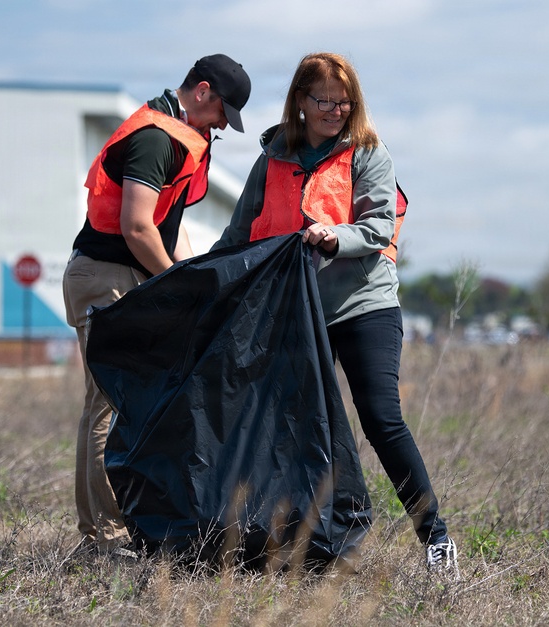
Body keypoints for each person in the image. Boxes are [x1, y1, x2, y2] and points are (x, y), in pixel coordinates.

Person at [211, 52, 458, 574]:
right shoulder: (273, 157)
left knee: (381, 418)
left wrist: (332, 236)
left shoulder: (368, 152)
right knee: (292, 428)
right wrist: (203, 278)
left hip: (364, 303)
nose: (333, 110)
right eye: (322, 100)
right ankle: (307, 544)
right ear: (300, 101)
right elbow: (238, 234)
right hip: (297, 313)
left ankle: (435, 536)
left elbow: (377, 228)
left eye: (342, 102)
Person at [63, 53, 251, 558]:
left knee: (120, 402)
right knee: (110, 403)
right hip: (106, 278)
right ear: (203, 91)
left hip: (125, 276)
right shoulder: (155, 138)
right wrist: (172, 281)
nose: (220, 128)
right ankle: (103, 539)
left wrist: (192, 282)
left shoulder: (174, 134)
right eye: (221, 115)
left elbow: (168, 224)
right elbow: (137, 226)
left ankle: (116, 527)